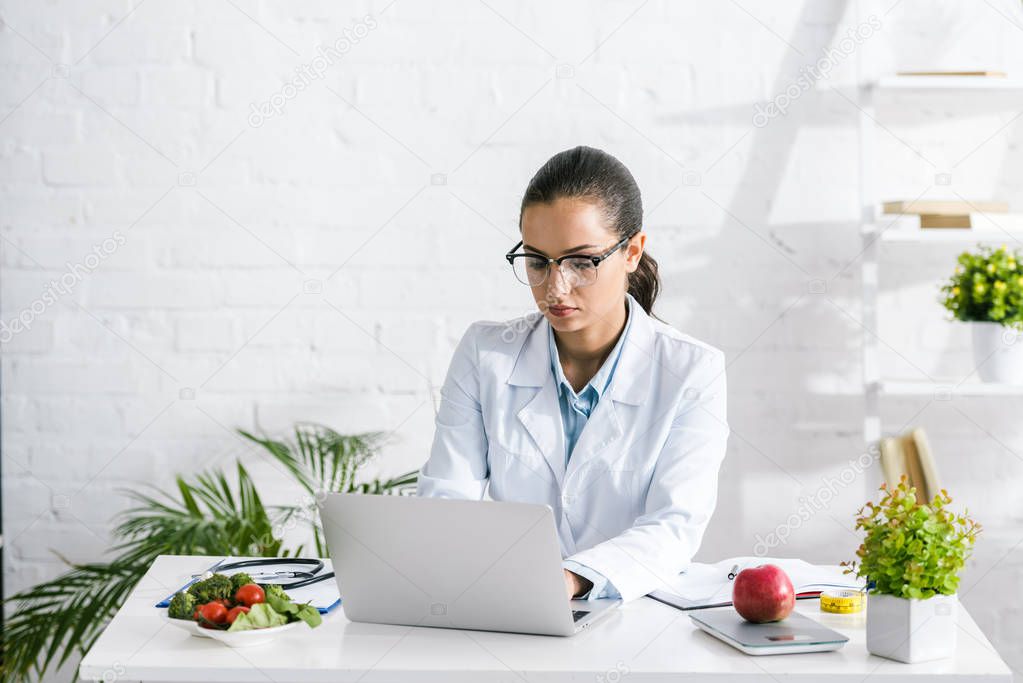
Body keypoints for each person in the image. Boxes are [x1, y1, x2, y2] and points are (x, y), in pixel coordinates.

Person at [417, 145, 729, 603]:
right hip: (510, 609)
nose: (555, 287)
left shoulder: (691, 371)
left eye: (582, 262)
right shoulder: (487, 354)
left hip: (634, 614)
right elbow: (446, 499)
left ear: (633, 252)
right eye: (538, 261)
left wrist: (568, 579)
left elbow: (675, 525)